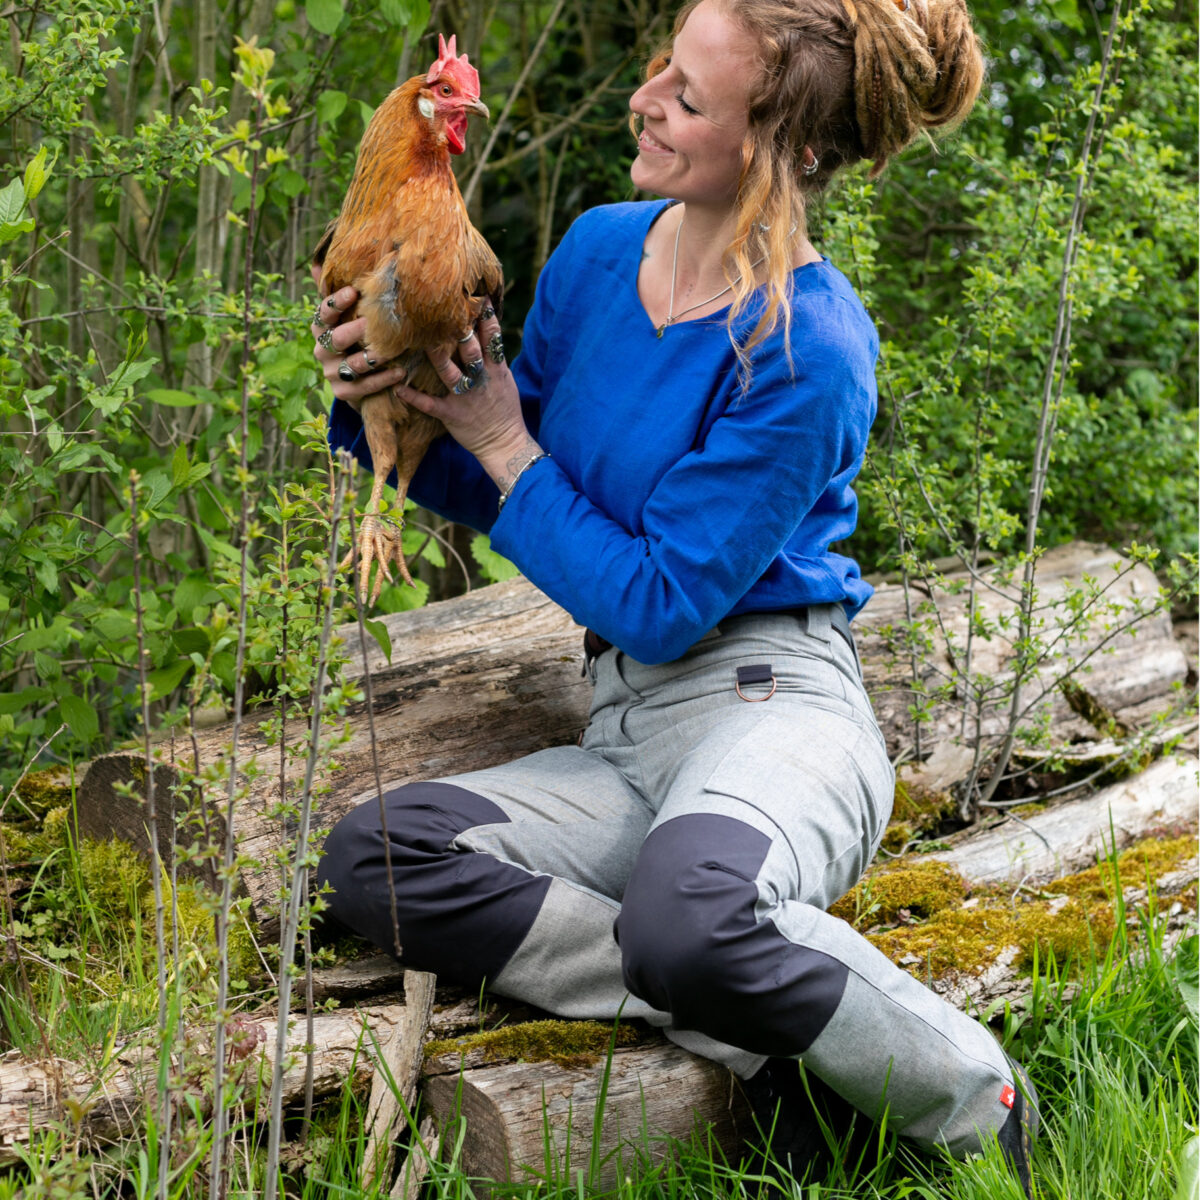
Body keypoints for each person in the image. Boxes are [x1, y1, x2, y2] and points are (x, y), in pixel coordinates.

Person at [311, 0, 1038, 1191]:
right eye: (661, 71)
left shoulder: (810, 345)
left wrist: (501, 441)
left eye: (690, 98)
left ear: (787, 146)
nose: (644, 100)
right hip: (626, 730)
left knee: (690, 914)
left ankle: (980, 1103)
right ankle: (776, 1055)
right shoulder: (601, 252)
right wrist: (379, 397)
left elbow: (656, 597)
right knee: (384, 854)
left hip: (772, 712)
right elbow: (515, 490)